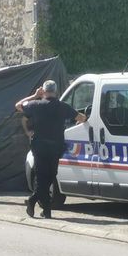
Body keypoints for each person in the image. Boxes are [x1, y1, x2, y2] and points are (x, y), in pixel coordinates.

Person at [15, 80, 86, 218]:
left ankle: (33, 200)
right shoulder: (63, 107)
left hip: (39, 146)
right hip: (55, 147)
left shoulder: (35, 104)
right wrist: (84, 117)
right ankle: (46, 210)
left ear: (44, 91)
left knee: (42, 177)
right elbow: (81, 118)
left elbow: (18, 105)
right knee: (50, 176)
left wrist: (35, 96)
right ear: (56, 91)